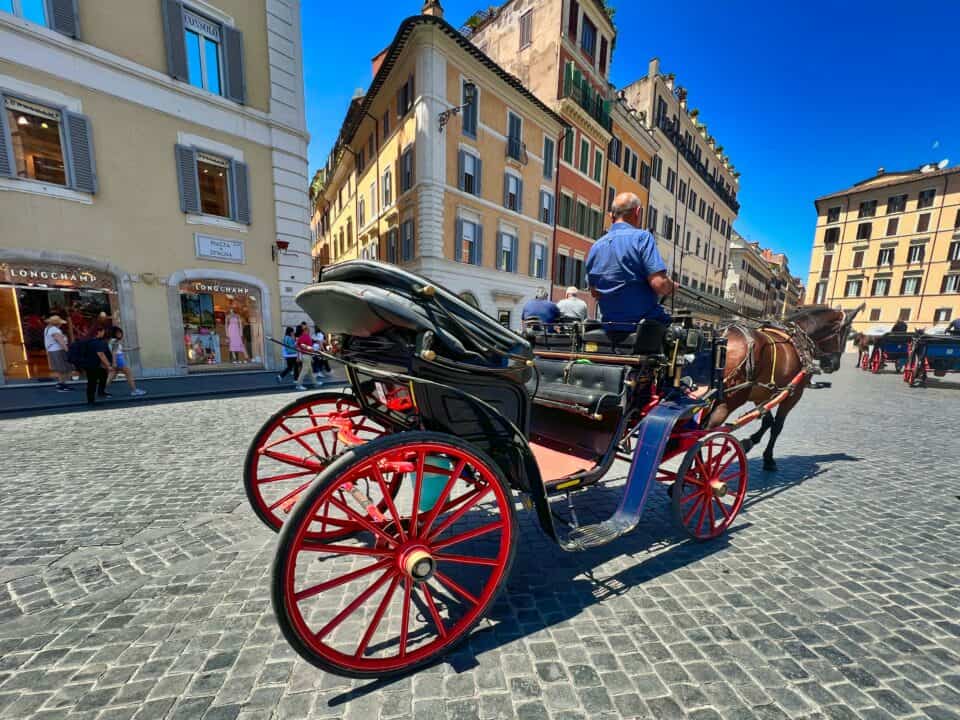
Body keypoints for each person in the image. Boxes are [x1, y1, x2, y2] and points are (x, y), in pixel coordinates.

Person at [585, 192, 675, 328]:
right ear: (637, 212)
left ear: (611, 216)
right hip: (644, 326)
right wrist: (671, 286)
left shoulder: (596, 246)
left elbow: (594, 291)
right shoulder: (643, 238)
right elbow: (659, 284)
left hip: (610, 325)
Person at [77, 325, 113, 406]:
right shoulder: (99, 342)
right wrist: (108, 365)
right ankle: (91, 400)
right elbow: (101, 354)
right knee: (92, 382)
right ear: (99, 332)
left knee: (102, 378)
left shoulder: (88, 341)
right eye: (103, 331)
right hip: (96, 365)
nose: (104, 333)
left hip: (89, 364)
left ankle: (100, 393)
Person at [107, 327, 146, 397]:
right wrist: (114, 362)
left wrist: (132, 349)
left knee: (111, 377)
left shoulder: (112, 341)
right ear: (114, 333)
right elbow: (114, 352)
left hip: (117, 359)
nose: (120, 334)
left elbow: (120, 350)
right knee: (129, 373)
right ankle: (134, 390)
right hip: (118, 359)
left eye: (120, 332)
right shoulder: (115, 341)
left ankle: (100, 391)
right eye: (118, 333)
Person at [44, 315, 73, 392]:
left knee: (60, 368)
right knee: (62, 368)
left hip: (53, 350)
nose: (61, 325)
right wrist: (67, 350)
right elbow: (61, 341)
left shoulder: (47, 329)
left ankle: (61, 383)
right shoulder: (54, 330)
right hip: (58, 351)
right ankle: (62, 384)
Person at [295, 323, 318, 391]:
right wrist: (309, 348)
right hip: (306, 355)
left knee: (310, 371)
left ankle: (315, 383)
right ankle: (298, 385)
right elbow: (301, 345)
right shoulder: (304, 336)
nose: (309, 331)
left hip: (308, 355)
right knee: (304, 371)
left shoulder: (305, 336)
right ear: (305, 330)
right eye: (308, 330)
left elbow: (298, 345)